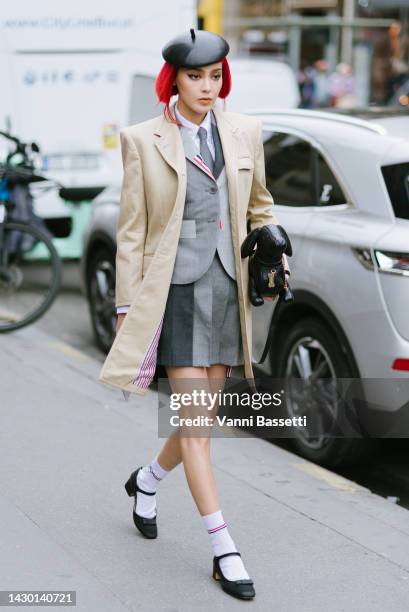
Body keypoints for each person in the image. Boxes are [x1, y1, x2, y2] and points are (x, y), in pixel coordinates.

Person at [105, 28, 291, 601]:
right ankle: (224, 549)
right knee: (197, 427)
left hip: (229, 287)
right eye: (195, 77)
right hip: (176, 291)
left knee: (199, 422)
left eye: (215, 76)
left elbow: (259, 203)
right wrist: (125, 303)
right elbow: (132, 230)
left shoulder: (244, 132)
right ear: (174, 79)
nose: (207, 87)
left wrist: (269, 241)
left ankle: (147, 480)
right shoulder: (142, 140)